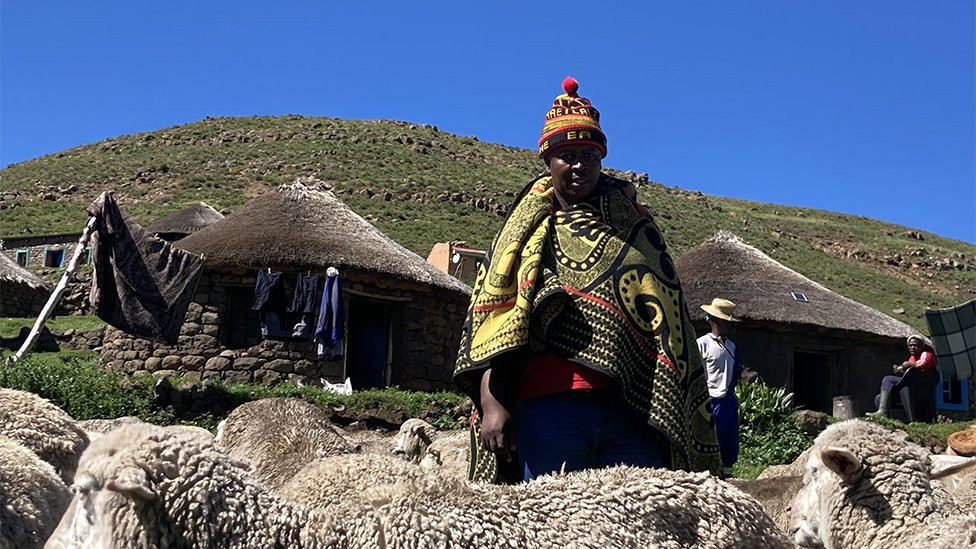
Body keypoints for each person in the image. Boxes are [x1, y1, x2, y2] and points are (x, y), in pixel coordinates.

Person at [453, 77, 721, 483]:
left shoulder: (636, 232)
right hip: (547, 411)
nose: (579, 165)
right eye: (567, 155)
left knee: (641, 527)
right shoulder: (521, 236)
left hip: (631, 412)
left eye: (589, 155)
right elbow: (495, 321)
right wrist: (492, 403)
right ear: (549, 161)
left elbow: (669, 321)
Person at [696, 298, 742, 478]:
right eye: (725, 322)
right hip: (710, 401)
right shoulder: (702, 344)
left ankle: (727, 476)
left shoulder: (731, 346)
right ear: (715, 320)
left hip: (728, 402)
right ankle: (707, 475)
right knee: (711, 441)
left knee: (729, 442)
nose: (728, 326)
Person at [867, 334, 939, 418]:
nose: (912, 347)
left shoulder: (926, 354)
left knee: (888, 379)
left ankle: (883, 411)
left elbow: (923, 363)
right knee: (878, 398)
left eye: (915, 345)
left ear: (921, 347)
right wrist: (901, 372)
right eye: (910, 345)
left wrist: (908, 365)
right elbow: (909, 375)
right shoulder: (912, 358)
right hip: (910, 388)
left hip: (920, 390)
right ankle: (884, 416)